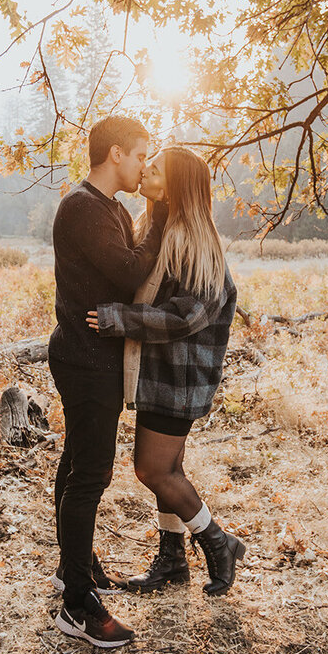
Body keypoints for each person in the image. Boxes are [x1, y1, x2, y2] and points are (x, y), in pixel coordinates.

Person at [87, 147, 245, 597]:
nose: (146, 170)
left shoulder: (194, 241)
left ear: (175, 184)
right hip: (160, 375)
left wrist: (121, 319)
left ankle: (218, 541)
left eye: (155, 168)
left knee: (153, 470)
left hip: (180, 379)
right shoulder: (160, 225)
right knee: (169, 467)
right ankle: (173, 560)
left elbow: (186, 316)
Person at [49, 115, 168, 649]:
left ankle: (72, 570)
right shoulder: (82, 207)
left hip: (93, 358)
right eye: (142, 155)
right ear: (116, 153)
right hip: (84, 360)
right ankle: (76, 606)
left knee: (77, 463)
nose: (145, 165)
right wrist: (163, 214)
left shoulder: (112, 209)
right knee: (89, 476)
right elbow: (129, 273)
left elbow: (128, 268)